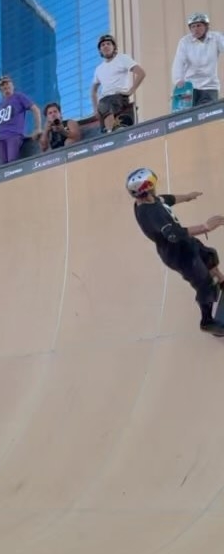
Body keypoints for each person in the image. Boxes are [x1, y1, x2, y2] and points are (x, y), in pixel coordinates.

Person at [127, 167, 224, 336]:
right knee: (205, 285)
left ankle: (222, 282)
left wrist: (187, 197)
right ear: (148, 188)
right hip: (178, 255)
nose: (155, 187)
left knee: (209, 255)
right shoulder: (151, 213)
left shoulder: (147, 200)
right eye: (153, 184)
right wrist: (205, 227)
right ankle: (207, 322)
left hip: (186, 244)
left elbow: (166, 199)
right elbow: (174, 234)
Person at [91, 35, 146, 132]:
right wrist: (95, 108)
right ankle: (109, 130)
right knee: (101, 106)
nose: (106, 46)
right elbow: (93, 90)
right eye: (103, 45)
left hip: (118, 95)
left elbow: (141, 73)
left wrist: (130, 91)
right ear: (100, 50)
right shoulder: (99, 69)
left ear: (114, 47)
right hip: (104, 99)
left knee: (105, 104)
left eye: (108, 44)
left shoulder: (122, 58)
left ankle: (110, 132)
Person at [172, 12, 224, 106]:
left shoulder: (215, 38)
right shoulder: (185, 41)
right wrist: (178, 80)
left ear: (206, 26)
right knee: (188, 116)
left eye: (199, 25)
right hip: (190, 86)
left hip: (210, 86)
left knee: (208, 116)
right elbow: (179, 62)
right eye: (193, 26)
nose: (196, 29)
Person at [0, 75, 41, 164]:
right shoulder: (0, 104)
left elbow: (36, 109)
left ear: (12, 85)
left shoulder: (19, 97)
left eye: (7, 83)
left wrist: (37, 128)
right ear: (0, 90)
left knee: (12, 162)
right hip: (0, 138)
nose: (5, 86)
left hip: (13, 135)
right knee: (3, 165)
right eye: (2, 85)